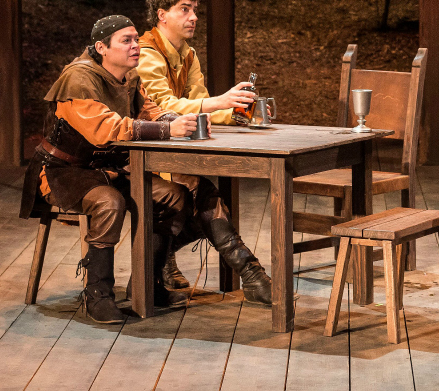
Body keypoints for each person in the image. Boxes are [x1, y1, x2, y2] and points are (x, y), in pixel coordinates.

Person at [20, 16, 271, 324]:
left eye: (136, 39)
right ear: (102, 47)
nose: (135, 46)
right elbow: (106, 129)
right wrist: (168, 131)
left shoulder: (130, 78)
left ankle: (147, 284)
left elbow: (151, 111)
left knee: (175, 196)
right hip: (64, 171)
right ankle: (97, 294)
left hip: (110, 168)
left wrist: (174, 120)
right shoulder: (78, 79)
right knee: (109, 203)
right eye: (126, 40)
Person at [135, 0, 261, 292]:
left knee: (205, 196)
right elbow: (163, 106)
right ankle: (252, 276)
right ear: (162, 15)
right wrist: (220, 102)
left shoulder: (187, 54)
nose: (193, 17)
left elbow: (199, 106)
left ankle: (165, 259)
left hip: (174, 145)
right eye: (184, 10)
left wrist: (237, 112)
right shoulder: (147, 53)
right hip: (145, 146)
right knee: (199, 194)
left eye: (195, 10)